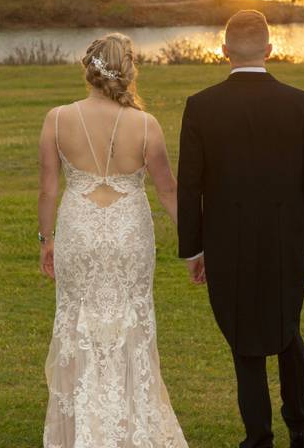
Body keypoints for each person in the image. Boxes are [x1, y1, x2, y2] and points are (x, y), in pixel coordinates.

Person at [177, 10, 304, 448]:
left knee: (245, 339)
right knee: (287, 328)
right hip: (288, 241)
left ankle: (258, 438)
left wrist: (194, 250)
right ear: (269, 49)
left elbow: (191, 186)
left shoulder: (201, 106)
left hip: (227, 243)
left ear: (223, 52)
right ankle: (299, 424)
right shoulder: (303, 103)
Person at [37, 32, 189, 448]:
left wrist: (45, 239)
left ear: (88, 70)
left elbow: (48, 188)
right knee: (133, 324)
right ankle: (133, 427)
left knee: (77, 322)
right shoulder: (146, 124)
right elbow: (169, 191)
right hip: (129, 231)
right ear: (128, 70)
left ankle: (81, 430)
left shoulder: (57, 118)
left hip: (79, 231)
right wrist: (193, 246)